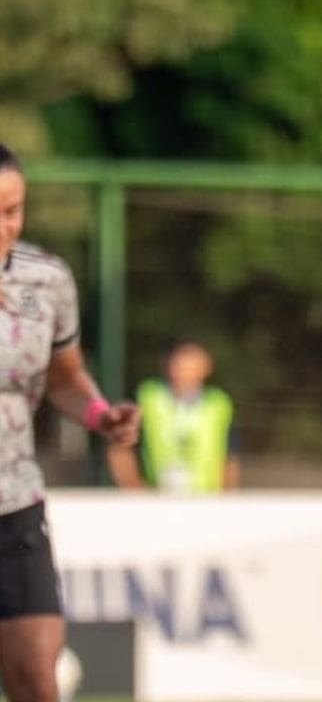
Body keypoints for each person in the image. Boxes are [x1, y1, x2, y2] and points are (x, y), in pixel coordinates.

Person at [0, 144, 140, 702]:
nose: (3, 226)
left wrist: (102, 416)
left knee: (38, 672)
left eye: (12, 210)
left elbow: (63, 377)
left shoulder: (47, 282)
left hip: (14, 503)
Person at [107, 341, 239, 493]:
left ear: (205, 369)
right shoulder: (148, 397)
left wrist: (227, 496)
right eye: (178, 366)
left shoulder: (219, 404)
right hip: (158, 496)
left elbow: (230, 456)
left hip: (206, 498)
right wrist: (134, 488)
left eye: (189, 368)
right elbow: (119, 446)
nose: (181, 373)